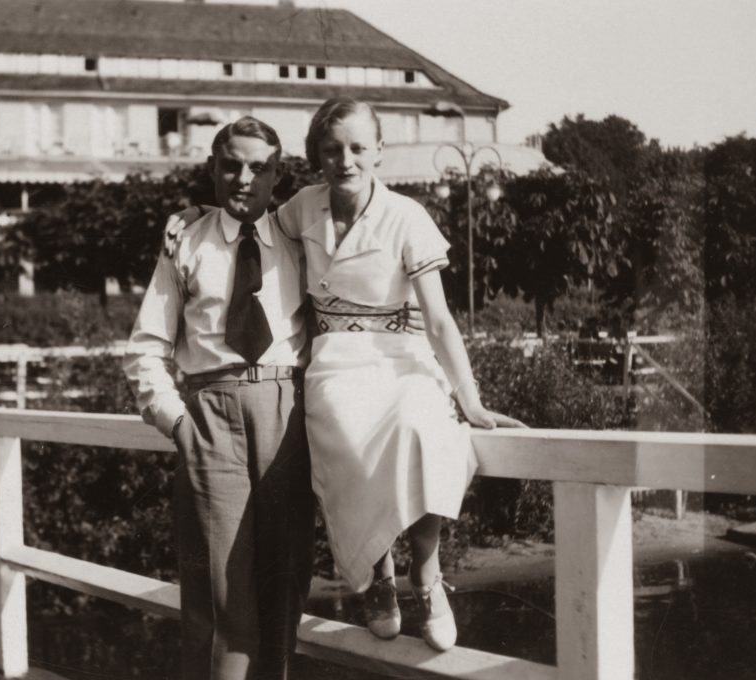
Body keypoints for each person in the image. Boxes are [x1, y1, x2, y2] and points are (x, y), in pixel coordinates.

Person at [165, 97, 524, 653]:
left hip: (402, 356)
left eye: (358, 148)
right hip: (334, 359)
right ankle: (378, 575)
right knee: (348, 436)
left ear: (379, 151)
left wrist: (470, 399)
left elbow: (438, 319)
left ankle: (426, 574)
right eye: (332, 149)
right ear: (317, 155)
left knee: (424, 427)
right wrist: (195, 214)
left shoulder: (407, 215)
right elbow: (249, 220)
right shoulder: (302, 207)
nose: (346, 160)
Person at [123, 116, 315, 680]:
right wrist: (178, 423)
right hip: (211, 414)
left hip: (287, 413)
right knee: (220, 591)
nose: (244, 178)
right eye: (231, 165)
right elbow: (146, 346)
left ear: (278, 174)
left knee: (286, 582)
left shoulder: (300, 238)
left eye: (259, 167)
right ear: (212, 167)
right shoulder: (186, 240)